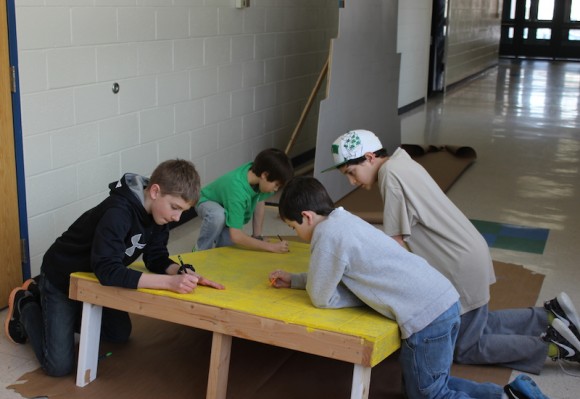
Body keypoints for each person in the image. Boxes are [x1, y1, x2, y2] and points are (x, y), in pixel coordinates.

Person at [322, 129, 580, 374]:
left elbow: (395, 243)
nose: (352, 181)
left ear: (369, 158)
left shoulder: (390, 177)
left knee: (465, 346)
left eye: (352, 172)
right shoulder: (402, 162)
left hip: (457, 263)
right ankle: (549, 315)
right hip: (467, 252)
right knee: (477, 324)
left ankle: (556, 347)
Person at [269, 176, 549, 399]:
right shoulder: (342, 219)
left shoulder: (326, 235)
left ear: (306, 216)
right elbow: (331, 277)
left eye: (293, 227)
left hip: (427, 319)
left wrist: (338, 293)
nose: (297, 234)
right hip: (444, 300)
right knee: (429, 384)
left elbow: (320, 296)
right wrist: (295, 279)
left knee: (432, 394)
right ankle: (507, 394)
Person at [4, 159, 224, 377]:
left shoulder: (159, 216)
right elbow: (107, 271)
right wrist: (169, 283)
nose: (176, 217)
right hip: (62, 278)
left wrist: (181, 272)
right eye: (175, 208)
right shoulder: (118, 211)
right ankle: (27, 303)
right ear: (155, 191)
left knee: (118, 334)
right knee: (58, 367)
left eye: (182, 212)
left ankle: (56, 311)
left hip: (92, 280)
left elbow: (155, 257)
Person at [194, 147, 293, 253]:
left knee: (226, 250)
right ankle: (200, 250)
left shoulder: (256, 172)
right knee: (218, 216)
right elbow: (236, 235)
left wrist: (257, 236)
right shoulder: (237, 189)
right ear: (265, 175)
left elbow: (259, 201)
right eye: (276, 184)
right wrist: (271, 247)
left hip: (227, 205)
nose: (276, 189)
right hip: (207, 201)